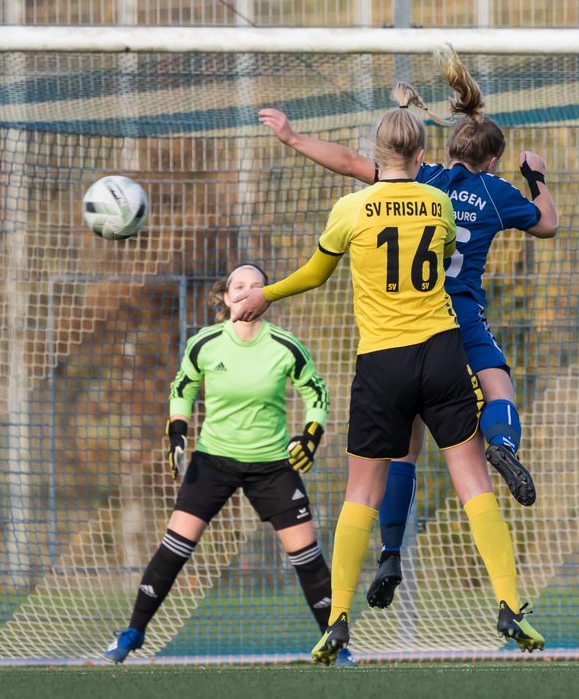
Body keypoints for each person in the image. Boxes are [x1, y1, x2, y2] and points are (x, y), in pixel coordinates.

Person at [232, 82, 545, 665]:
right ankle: (510, 607)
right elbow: (447, 245)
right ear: (423, 157)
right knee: (473, 485)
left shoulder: (352, 208)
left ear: (378, 158)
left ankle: (339, 620)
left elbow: (314, 274)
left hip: (382, 361)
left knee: (360, 494)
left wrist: (266, 295)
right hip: (444, 352)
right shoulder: (441, 205)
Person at [103, 263, 353, 666]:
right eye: (239, 285)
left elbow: (317, 393)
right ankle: (132, 632)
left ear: (266, 296)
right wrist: (176, 433)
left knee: (307, 556)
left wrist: (311, 435)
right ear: (225, 296)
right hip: (214, 461)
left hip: (272, 464)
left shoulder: (285, 346)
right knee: (174, 547)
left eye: (257, 286)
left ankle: (335, 644)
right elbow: (181, 388)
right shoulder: (205, 343)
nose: (247, 291)